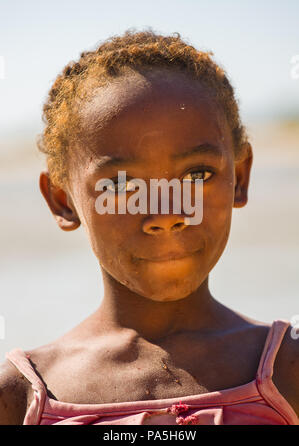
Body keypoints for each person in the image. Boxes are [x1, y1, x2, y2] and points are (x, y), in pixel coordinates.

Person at [0, 29, 298, 425]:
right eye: (121, 184)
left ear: (239, 179)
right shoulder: (20, 397)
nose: (166, 213)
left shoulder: (289, 370)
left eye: (196, 174)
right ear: (62, 200)